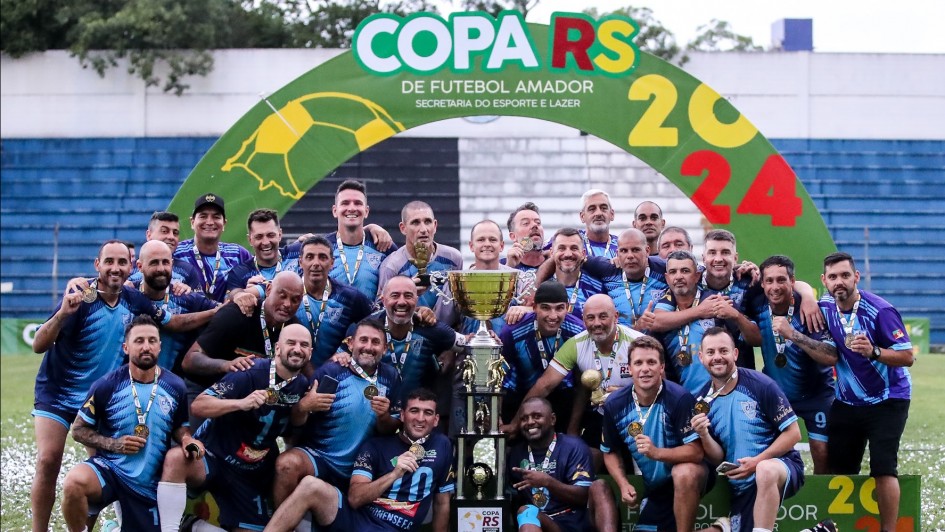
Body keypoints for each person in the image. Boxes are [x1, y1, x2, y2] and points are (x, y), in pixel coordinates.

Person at [30, 240, 205, 532]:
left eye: (121, 262)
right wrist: (62, 313)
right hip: (58, 394)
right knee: (48, 461)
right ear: (97, 265)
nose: (115, 268)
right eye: (108, 261)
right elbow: (38, 345)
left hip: (99, 396)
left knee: (106, 468)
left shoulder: (135, 299)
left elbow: (173, 323)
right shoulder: (79, 295)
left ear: (130, 267)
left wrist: (218, 310)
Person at [785, 252, 914, 532]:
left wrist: (875, 351)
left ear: (857, 277)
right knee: (838, 467)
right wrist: (807, 293)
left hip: (888, 398)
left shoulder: (880, 310)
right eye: (832, 277)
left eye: (845, 275)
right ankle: (832, 526)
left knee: (883, 466)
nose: (839, 282)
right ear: (824, 281)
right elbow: (792, 284)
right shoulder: (825, 307)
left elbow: (907, 357)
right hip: (847, 401)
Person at [157, 323, 313, 532]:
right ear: (277, 348)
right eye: (291, 342)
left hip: (251, 472)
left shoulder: (304, 386)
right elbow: (199, 405)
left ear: (310, 352)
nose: (297, 349)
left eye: (304, 345)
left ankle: (195, 527)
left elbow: (292, 434)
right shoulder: (250, 372)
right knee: (176, 457)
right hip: (214, 456)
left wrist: (303, 409)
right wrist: (240, 403)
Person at [61, 315, 201, 532]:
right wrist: (114, 444)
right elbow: (78, 430)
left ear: (160, 346)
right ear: (126, 347)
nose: (146, 346)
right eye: (139, 341)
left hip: (147, 483)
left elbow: (179, 427)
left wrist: (186, 439)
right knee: (73, 483)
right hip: (110, 470)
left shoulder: (176, 386)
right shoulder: (106, 386)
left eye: (152, 341)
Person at [265, 388, 453, 532]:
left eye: (427, 413)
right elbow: (355, 499)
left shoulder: (443, 446)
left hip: (396, 528)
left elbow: (442, 502)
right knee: (310, 486)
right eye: (414, 411)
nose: (420, 418)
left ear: (436, 420)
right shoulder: (375, 446)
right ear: (402, 415)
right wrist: (395, 473)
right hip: (356, 522)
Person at [272, 318, 402, 507]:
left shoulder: (391, 377)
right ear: (350, 343)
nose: (368, 346)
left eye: (376, 342)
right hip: (319, 457)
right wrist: (303, 406)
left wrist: (384, 417)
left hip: (360, 465)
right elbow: (296, 424)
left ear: (385, 348)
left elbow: (390, 429)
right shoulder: (330, 372)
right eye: (363, 340)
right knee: (286, 465)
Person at [690, 328, 804, 532]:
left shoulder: (760, 385)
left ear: (735, 353)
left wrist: (757, 462)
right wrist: (704, 434)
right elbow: (718, 458)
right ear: (701, 357)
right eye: (711, 352)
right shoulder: (701, 401)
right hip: (741, 486)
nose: (717, 357)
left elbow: (794, 433)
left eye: (723, 351)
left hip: (780, 468)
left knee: (765, 470)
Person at [601, 335, 709, 532]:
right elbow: (609, 451)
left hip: (691, 476)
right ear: (629, 368)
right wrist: (623, 483)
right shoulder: (614, 405)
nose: (645, 369)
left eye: (651, 362)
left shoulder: (679, 398)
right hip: (657, 488)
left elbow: (697, 452)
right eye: (638, 363)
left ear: (661, 367)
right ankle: (720, 529)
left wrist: (656, 453)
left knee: (683, 472)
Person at [181, 270, 303, 427]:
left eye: (295, 300)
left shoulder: (293, 330)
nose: (287, 304)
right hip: (206, 391)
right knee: (197, 448)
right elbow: (190, 360)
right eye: (282, 295)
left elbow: (303, 368)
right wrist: (226, 365)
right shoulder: (238, 314)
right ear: (268, 290)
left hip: (248, 399)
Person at [523, 294, 643, 455]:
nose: (597, 323)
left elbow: (661, 388)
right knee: (589, 458)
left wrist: (627, 395)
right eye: (590, 318)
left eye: (603, 317)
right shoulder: (576, 344)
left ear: (615, 317)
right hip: (601, 416)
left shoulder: (637, 343)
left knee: (642, 459)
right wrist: (516, 423)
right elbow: (544, 385)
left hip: (639, 414)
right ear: (583, 319)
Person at [748, 255, 835, 473]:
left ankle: (819, 504)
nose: (775, 287)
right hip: (777, 394)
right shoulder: (757, 303)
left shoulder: (810, 311)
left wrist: (793, 334)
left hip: (816, 395)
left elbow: (830, 357)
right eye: (769, 281)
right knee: (770, 452)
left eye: (781, 280)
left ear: (792, 281)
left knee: (822, 453)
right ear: (762, 283)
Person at [352, 275, 457, 408]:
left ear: (416, 300)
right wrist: (342, 356)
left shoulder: (429, 327)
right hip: (374, 412)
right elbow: (340, 358)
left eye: (408, 296)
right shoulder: (366, 327)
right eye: (395, 295)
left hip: (416, 414)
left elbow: (466, 343)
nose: (401, 302)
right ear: (383, 300)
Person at [500, 280, 586, 433]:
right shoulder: (512, 332)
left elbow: (581, 386)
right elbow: (497, 377)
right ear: (534, 308)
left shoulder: (578, 332)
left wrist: (572, 430)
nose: (553, 316)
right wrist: (498, 417)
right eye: (546, 308)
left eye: (559, 308)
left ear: (567, 308)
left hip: (561, 396)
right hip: (519, 394)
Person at [507, 397, 595, 531]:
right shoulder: (516, 453)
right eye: (524, 419)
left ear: (552, 419)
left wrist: (548, 482)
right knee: (526, 511)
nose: (530, 422)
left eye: (537, 416)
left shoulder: (573, 446)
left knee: (601, 486)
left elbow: (583, 496)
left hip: (574, 522)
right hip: (544, 523)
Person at [435, 219, 532, 335]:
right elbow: (441, 323)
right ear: (471, 246)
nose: (487, 244)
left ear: (501, 246)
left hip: (509, 352)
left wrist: (525, 310)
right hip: (467, 350)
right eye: (481, 240)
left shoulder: (519, 278)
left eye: (492, 239)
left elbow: (537, 311)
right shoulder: (457, 280)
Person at [136, 240, 221, 373]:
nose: (161, 269)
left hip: (174, 387)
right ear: (140, 266)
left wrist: (240, 296)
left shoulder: (186, 298)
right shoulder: (128, 295)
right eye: (154, 263)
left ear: (172, 264)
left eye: (165, 262)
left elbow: (225, 309)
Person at [293, 235, 373, 369]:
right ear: (300, 262)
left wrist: (346, 350)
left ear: (332, 262)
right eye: (310, 257)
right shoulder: (289, 293)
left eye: (322, 257)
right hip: (292, 372)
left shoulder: (350, 297)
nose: (316, 263)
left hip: (332, 375)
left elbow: (373, 326)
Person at [650, 250, 716, 395]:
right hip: (679, 396)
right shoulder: (665, 304)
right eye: (673, 272)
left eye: (685, 271)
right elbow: (656, 322)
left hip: (719, 394)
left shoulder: (714, 302)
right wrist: (699, 311)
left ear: (697, 276)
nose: (678, 277)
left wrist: (736, 316)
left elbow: (754, 337)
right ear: (667, 278)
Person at [377, 200, 462, 308]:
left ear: (435, 226)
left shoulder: (453, 258)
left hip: (446, 324)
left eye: (427, 222)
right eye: (415, 222)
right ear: (403, 228)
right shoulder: (391, 266)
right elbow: (381, 310)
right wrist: (407, 291)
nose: (423, 229)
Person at [582, 228, 668, 331]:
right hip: (619, 343)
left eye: (635, 250)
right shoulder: (608, 269)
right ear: (617, 254)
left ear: (647, 251)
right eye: (624, 251)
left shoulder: (663, 268)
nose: (630, 256)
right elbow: (576, 258)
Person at [325, 179, 398, 300]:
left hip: (374, 318)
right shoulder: (322, 248)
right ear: (335, 211)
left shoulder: (383, 245)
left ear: (366, 211)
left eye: (358, 203)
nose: (352, 208)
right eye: (345, 203)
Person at [174, 192, 252, 302]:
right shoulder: (177, 253)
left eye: (216, 217)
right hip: (189, 316)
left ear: (224, 224)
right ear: (192, 222)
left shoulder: (238, 254)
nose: (210, 222)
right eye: (203, 216)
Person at [224, 208, 302, 293]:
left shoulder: (298, 253)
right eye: (259, 237)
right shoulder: (238, 274)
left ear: (279, 235)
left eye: (271, 235)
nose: (265, 242)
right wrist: (246, 295)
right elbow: (230, 301)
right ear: (250, 239)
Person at [535, 227, 606, 320]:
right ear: (552, 253)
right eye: (561, 248)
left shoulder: (598, 288)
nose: (568, 254)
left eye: (574, 248)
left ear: (583, 253)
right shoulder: (541, 286)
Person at [128, 211, 203, 290]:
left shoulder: (188, 271)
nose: (171, 237)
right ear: (149, 235)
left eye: (175, 233)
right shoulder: (129, 270)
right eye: (164, 231)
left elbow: (200, 300)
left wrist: (189, 294)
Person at [576, 189, 620, 258]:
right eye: (592, 209)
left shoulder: (622, 246)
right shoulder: (572, 242)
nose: (598, 213)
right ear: (582, 216)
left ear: (612, 214)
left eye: (603, 208)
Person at [504, 202, 546, 272]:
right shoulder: (501, 267)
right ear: (513, 236)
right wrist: (509, 267)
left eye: (538, 223)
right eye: (526, 223)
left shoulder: (557, 263)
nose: (535, 225)